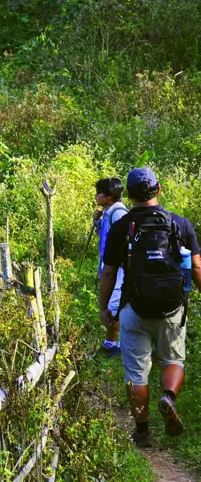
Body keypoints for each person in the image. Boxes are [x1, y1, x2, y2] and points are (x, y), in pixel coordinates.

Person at [99, 167, 201, 448]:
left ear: (129, 196)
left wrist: (104, 308)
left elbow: (108, 273)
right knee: (173, 360)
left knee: (136, 374)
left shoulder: (122, 226)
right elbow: (195, 267)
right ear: (158, 189)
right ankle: (168, 397)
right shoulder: (181, 223)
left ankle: (142, 432)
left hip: (135, 307)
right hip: (172, 307)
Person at [94, 177, 128, 357]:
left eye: (99, 192)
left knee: (114, 306)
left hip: (118, 269)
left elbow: (122, 241)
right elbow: (106, 235)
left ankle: (117, 346)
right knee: (114, 305)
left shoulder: (119, 213)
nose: (96, 195)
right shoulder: (109, 212)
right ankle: (112, 344)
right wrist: (96, 222)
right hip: (112, 266)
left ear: (109, 196)